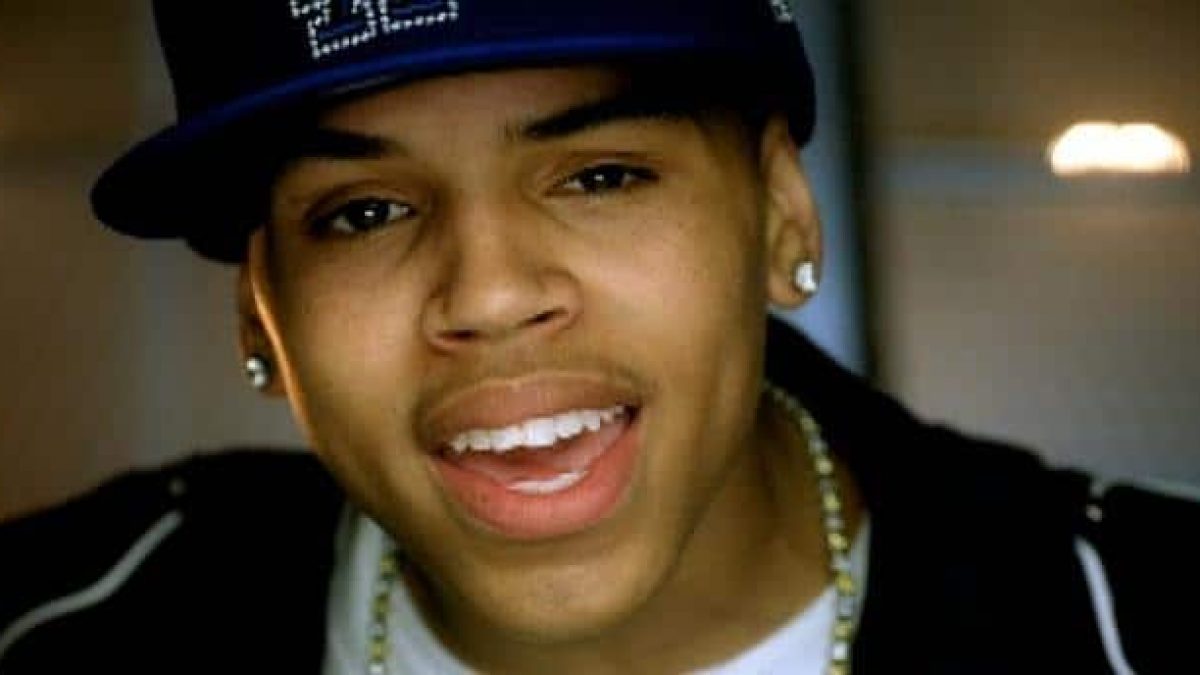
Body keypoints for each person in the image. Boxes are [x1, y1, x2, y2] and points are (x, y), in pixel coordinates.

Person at [0, 1, 1196, 673]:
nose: (490, 294)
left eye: (601, 175)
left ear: (782, 211)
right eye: (363, 213)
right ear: (259, 306)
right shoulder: (61, 625)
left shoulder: (1147, 615)